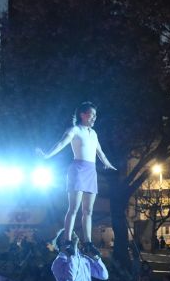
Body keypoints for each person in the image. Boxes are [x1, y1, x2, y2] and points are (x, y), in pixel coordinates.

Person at [36, 102, 117, 257]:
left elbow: (100, 152)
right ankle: (67, 241)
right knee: (73, 208)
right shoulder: (74, 130)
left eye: (95, 115)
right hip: (78, 170)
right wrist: (46, 156)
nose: (94, 117)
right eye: (92, 114)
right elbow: (61, 143)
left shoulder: (93, 133)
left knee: (88, 211)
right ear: (83, 114)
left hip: (91, 171)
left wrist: (109, 165)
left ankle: (88, 243)